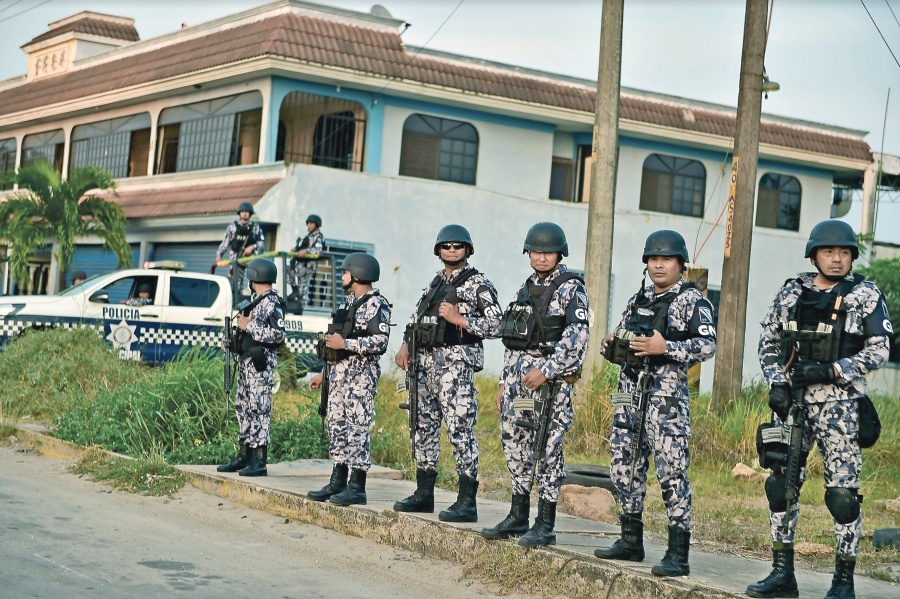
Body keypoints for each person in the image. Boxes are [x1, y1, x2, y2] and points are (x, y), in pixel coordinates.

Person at [747, 220, 891, 599]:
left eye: (844, 252)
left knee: (842, 495)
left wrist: (833, 369)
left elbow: (880, 348)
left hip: (840, 405)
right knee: (781, 486)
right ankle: (782, 573)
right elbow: (769, 338)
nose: (837, 259)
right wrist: (777, 382)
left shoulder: (864, 294)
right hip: (793, 404)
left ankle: (843, 581)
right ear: (814, 255)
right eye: (829, 252)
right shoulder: (793, 290)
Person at [593, 229, 716, 577]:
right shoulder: (639, 299)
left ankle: (678, 554)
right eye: (653, 258)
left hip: (666, 400)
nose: (659, 264)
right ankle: (630, 540)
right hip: (629, 394)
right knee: (623, 465)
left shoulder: (693, 301)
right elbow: (622, 334)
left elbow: (707, 346)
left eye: (667, 259)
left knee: (671, 472)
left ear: (681, 264)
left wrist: (667, 349)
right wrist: (611, 343)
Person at [481, 222, 590, 547]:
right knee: (516, 445)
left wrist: (547, 370)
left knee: (548, 450)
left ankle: (545, 523)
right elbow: (512, 339)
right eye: (536, 251)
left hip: (549, 389)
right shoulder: (525, 289)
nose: (541, 257)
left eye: (547, 252)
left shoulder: (571, 288)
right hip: (519, 389)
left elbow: (578, 338)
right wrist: (504, 383)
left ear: (559, 253)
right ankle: (518, 515)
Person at [393, 224, 501, 523]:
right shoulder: (434, 283)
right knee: (423, 428)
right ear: (438, 250)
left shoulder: (479, 284)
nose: (451, 250)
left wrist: (460, 319)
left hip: (454, 368)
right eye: (446, 245)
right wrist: (405, 345)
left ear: (467, 250)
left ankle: (467, 502)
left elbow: (497, 325)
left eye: (457, 245)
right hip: (424, 366)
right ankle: (423, 493)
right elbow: (417, 318)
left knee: (459, 431)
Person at [307, 252, 391, 506]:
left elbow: (380, 341)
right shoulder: (349, 302)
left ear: (357, 274)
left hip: (360, 379)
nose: (342, 276)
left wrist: (347, 343)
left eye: (345, 272)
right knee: (338, 427)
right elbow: (336, 343)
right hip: (338, 377)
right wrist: (324, 374)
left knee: (357, 428)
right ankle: (338, 480)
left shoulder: (377, 304)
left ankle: (357, 486)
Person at [217, 258, 286, 478]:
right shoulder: (255, 300)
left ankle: (259, 460)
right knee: (243, 406)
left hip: (260, 365)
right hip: (246, 363)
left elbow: (278, 335)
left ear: (254, 277)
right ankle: (245, 454)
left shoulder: (272, 303)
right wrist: (232, 340)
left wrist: (249, 326)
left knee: (259, 409)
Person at [215, 201, 265, 297]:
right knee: (235, 281)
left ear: (250, 213)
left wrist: (252, 247)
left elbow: (262, 243)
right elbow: (225, 242)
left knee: (254, 279)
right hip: (236, 257)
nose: (245, 213)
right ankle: (236, 300)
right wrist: (219, 255)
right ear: (239, 213)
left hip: (250, 258)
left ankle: (254, 298)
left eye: (247, 211)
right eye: (242, 211)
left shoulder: (255, 227)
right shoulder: (233, 227)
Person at [287, 214, 325, 312]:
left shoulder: (318, 237)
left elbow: (318, 250)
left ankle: (300, 309)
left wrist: (307, 251)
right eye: (308, 223)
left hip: (307, 266)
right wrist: (296, 249)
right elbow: (302, 247)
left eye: (311, 223)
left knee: (303, 289)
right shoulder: (308, 236)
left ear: (316, 225)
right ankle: (294, 291)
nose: (309, 225)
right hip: (298, 264)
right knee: (287, 270)